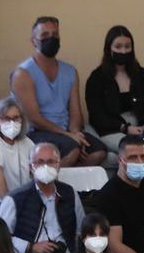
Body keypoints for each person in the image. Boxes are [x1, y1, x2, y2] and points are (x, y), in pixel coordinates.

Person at [11, 16, 106, 168]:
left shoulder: (70, 71)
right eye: (45, 35)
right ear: (33, 41)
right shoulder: (23, 74)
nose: (51, 39)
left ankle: (69, 184)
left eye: (55, 35)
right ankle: (44, 183)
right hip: (35, 133)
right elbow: (34, 118)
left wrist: (76, 133)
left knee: (98, 152)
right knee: (72, 150)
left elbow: (75, 112)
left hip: (64, 132)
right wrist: (68, 136)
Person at [85, 25, 144, 152]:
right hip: (111, 130)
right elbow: (97, 114)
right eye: (118, 47)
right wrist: (125, 128)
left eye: (127, 46)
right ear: (109, 49)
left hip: (141, 126)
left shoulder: (141, 74)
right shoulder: (97, 78)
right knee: (132, 147)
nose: (124, 51)